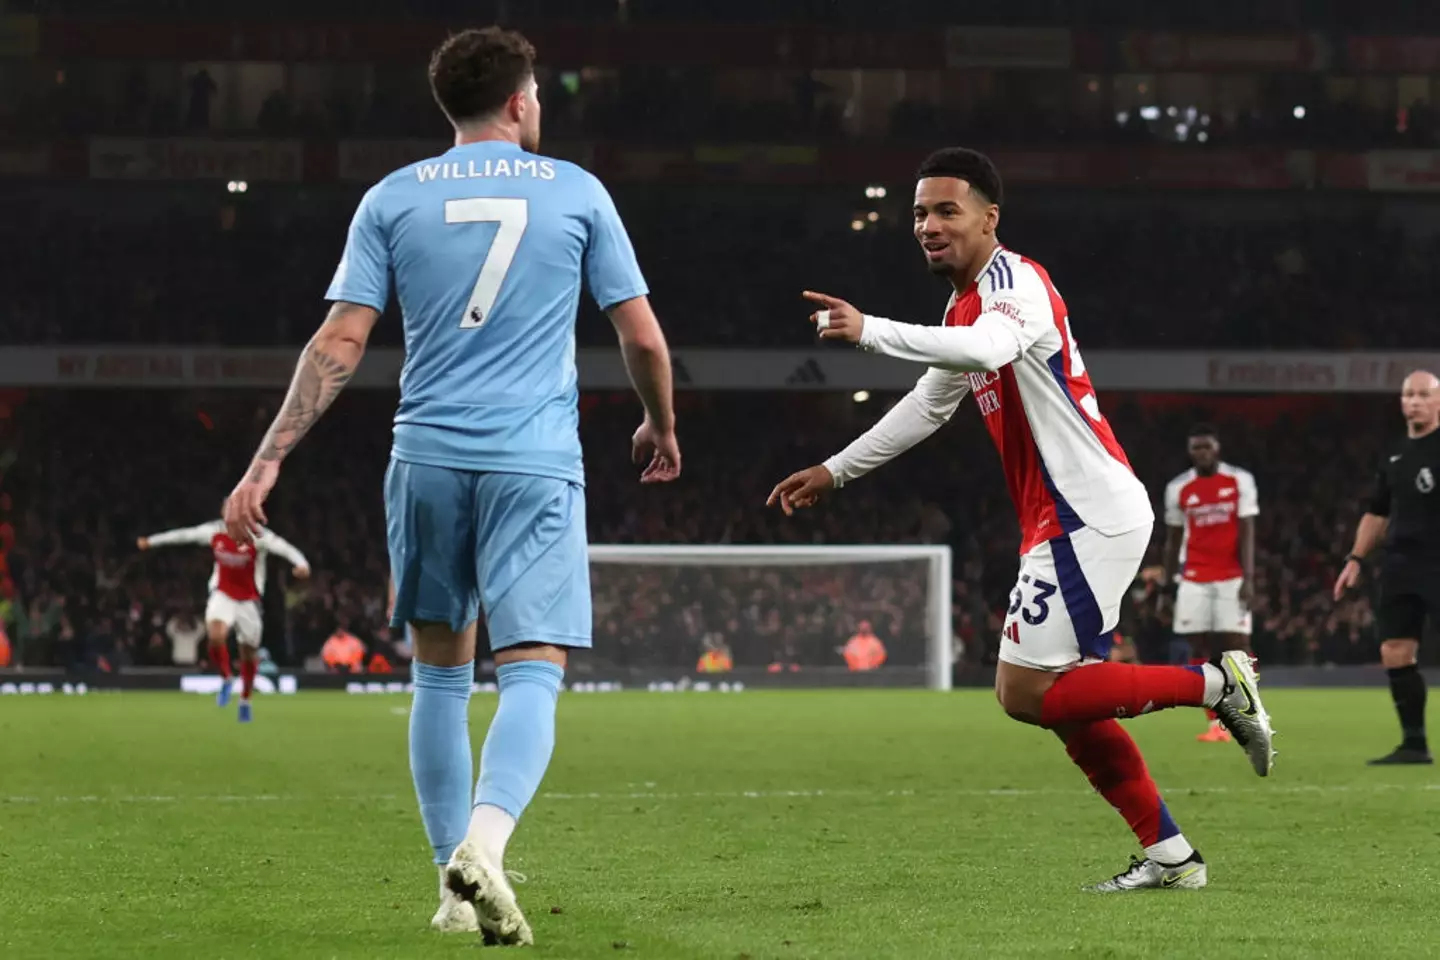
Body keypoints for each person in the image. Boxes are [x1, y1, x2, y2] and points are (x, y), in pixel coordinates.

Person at [221, 26, 679, 944]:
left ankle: (447, 887)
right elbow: (641, 337)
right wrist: (660, 425)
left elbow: (339, 344)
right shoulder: (578, 193)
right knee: (533, 674)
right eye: (539, 92)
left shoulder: (391, 198)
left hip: (426, 457)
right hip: (533, 461)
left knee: (438, 676)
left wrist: (268, 456)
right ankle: (486, 843)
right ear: (519, 100)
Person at [766, 147, 1274, 892]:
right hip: (1061, 520)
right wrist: (836, 469)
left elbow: (991, 348)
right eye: (918, 213)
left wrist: (871, 329)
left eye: (946, 210)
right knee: (1065, 703)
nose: (927, 226)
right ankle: (1172, 857)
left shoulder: (1017, 284)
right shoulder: (959, 306)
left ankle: (1218, 683)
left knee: (1022, 692)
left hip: (1087, 514)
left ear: (987, 218)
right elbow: (929, 405)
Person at [1334, 370, 1440, 765]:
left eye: (1423, 394)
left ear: (1438, 402)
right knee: (1395, 650)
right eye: (1409, 394)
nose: (1414, 401)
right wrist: (1355, 559)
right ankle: (1414, 744)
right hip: (1402, 564)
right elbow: (1377, 513)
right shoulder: (1396, 454)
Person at [137, 507, 309, 723]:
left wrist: (302, 564)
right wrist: (151, 541)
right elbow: (183, 535)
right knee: (216, 637)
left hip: (249, 601)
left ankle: (245, 700)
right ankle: (227, 679)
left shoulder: (259, 536)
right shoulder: (214, 532)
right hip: (223, 595)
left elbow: (285, 548)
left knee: (248, 654)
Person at [1161, 424, 1259, 743]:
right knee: (1198, 646)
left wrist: (1249, 578)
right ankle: (1216, 724)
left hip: (1231, 577)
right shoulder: (1179, 488)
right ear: (1190, 452)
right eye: (1196, 448)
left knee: (1237, 644)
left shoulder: (1239, 481)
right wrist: (1166, 587)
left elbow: (1247, 532)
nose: (1202, 453)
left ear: (1217, 448)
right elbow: (1173, 541)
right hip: (1193, 577)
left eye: (1207, 447)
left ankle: (1249, 713)